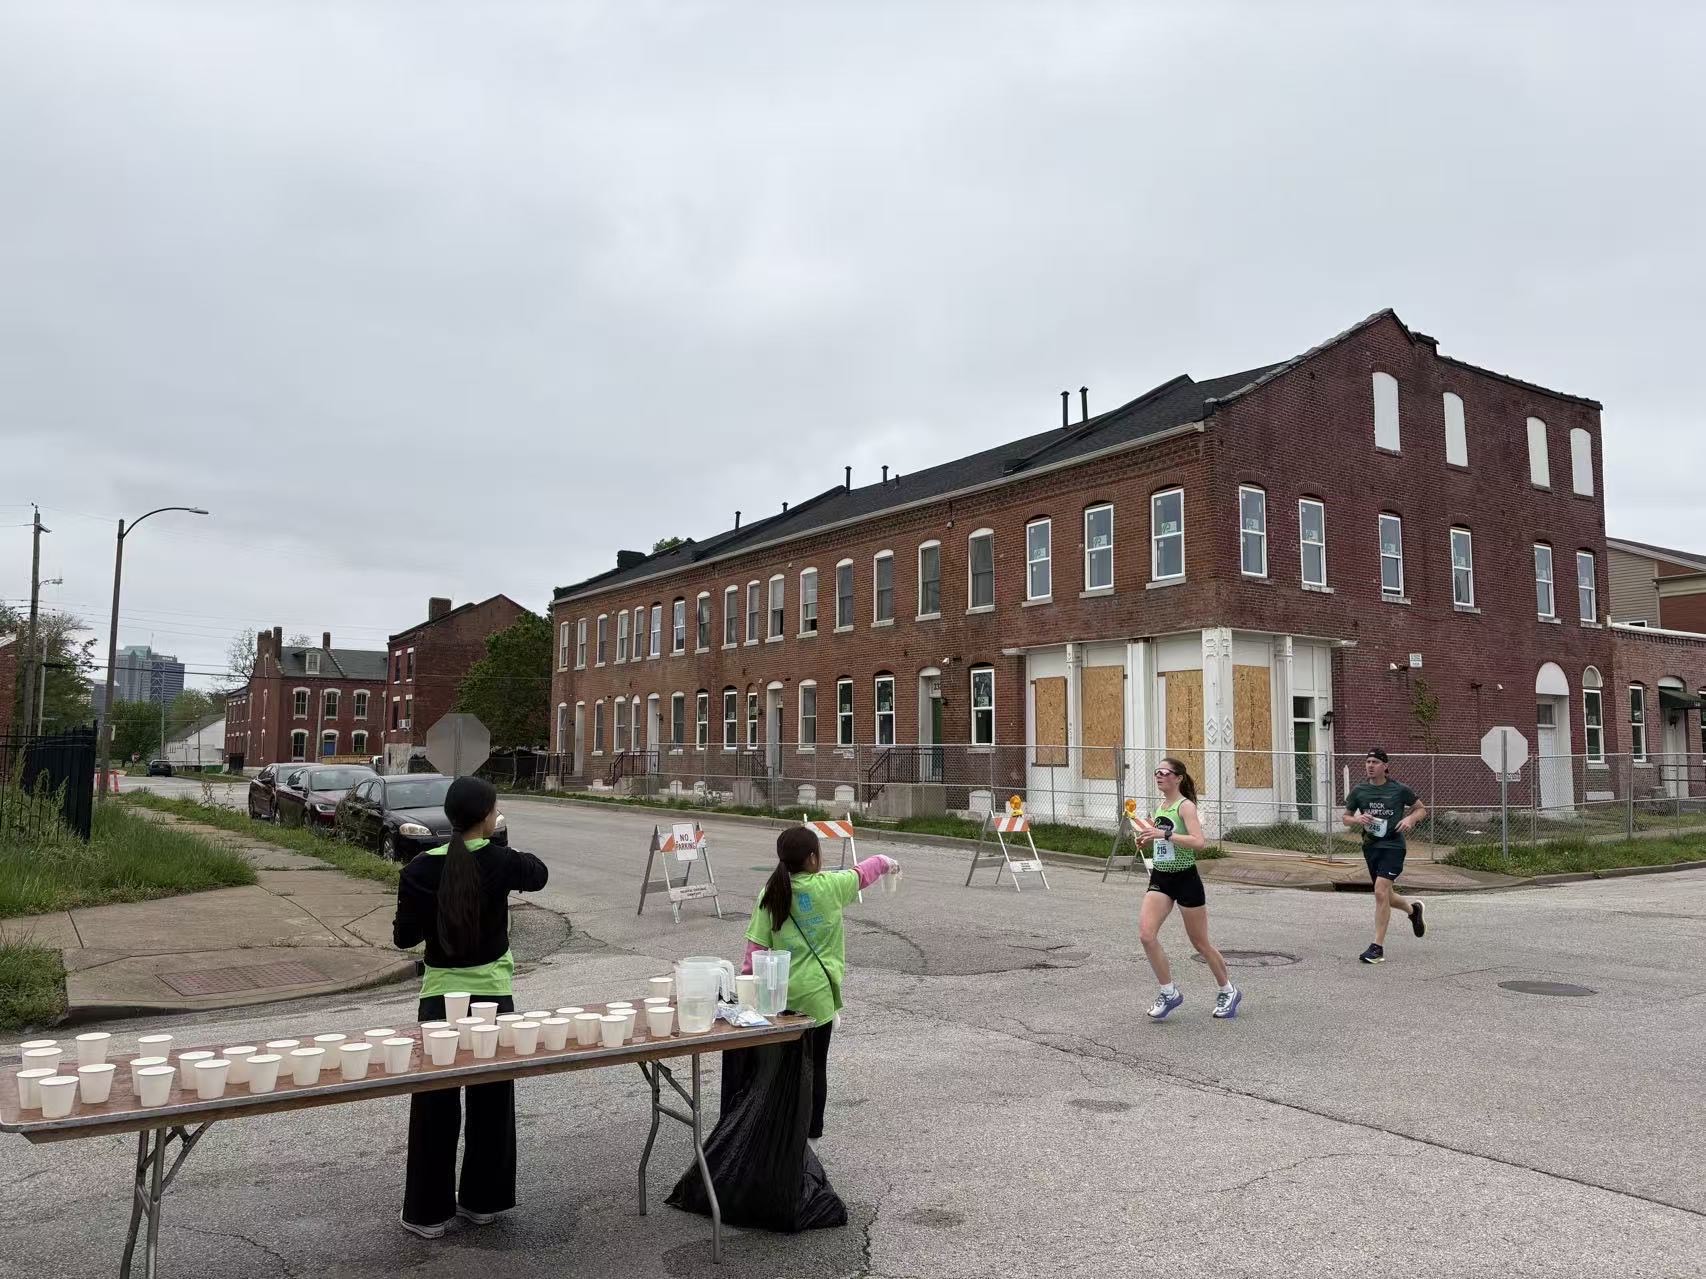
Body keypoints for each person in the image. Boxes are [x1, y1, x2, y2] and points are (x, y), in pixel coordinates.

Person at [391, 775, 549, 1238]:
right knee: (492, 1096)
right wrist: (498, 837)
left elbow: (404, 937)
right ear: (487, 816)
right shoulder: (502, 862)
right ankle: (483, 1201)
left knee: (435, 1102)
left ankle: (427, 1212)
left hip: (440, 998)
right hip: (493, 998)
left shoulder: (420, 869)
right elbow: (538, 873)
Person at [741, 826, 897, 1142]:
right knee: (815, 1071)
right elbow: (864, 871)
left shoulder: (770, 893)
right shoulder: (830, 887)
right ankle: (811, 1139)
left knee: (782, 1071)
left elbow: (754, 951)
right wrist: (887, 861)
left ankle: (780, 1133)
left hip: (779, 999)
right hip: (818, 999)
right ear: (813, 858)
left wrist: (745, 994)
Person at [1136, 757, 1241, 1021]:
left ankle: (1228, 990)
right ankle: (1169, 992)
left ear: (1178, 777)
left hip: (1186, 879)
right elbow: (1163, 840)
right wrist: (1148, 838)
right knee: (1146, 936)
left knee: (1200, 942)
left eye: (1164, 772)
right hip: (1161, 877)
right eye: (1156, 772)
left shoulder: (1186, 807)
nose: (1159, 776)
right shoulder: (1161, 806)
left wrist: (1164, 835)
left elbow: (1198, 842)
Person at [1342, 747, 1428, 964]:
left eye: (1375, 762)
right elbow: (1345, 817)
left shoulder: (1399, 790)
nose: (1370, 766)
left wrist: (1410, 820)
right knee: (1386, 896)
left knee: (1380, 891)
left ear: (1385, 766)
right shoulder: (1359, 791)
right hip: (1371, 847)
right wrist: (1357, 820)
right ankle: (1413, 911)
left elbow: (1421, 809)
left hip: (1393, 846)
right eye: (1368, 762)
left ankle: (1377, 947)